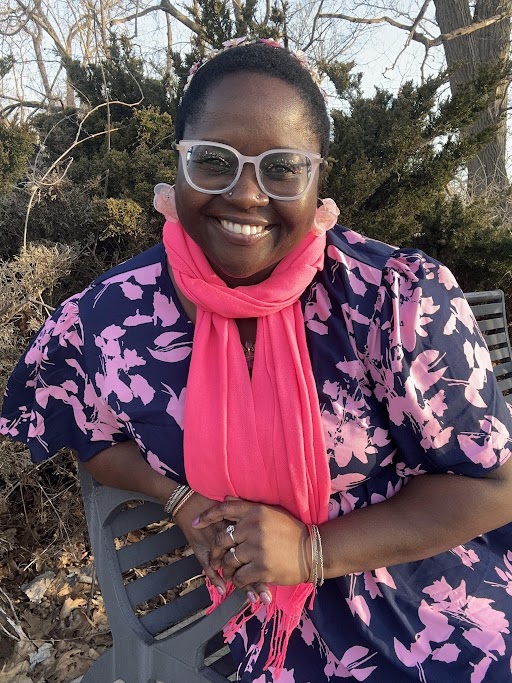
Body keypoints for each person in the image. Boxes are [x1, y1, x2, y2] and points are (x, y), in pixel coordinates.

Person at [2, 38, 512, 682]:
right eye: (215, 160)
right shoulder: (112, 317)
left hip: (429, 591)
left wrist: (311, 551)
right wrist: (178, 497)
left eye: (283, 167)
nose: (246, 195)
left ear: (317, 179)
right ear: (179, 163)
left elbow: (495, 488)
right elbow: (87, 432)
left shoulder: (392, 300)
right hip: (256, 623)